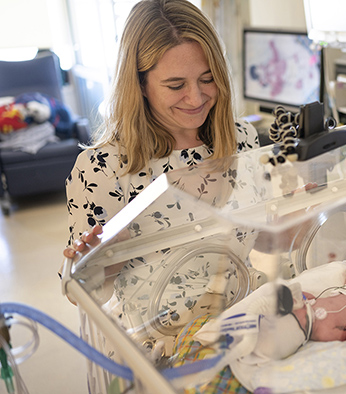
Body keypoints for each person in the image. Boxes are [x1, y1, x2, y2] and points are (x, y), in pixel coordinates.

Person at [62, 0, 261, 344]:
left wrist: (300, 208)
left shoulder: (242, 138)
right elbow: (80, 292)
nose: (196, 97)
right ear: (139, 84)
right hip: (157, 344)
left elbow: (263, 235)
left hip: (241, 320)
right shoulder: (104, 167)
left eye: (207, 78)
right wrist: (103, 257)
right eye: (175, 85)